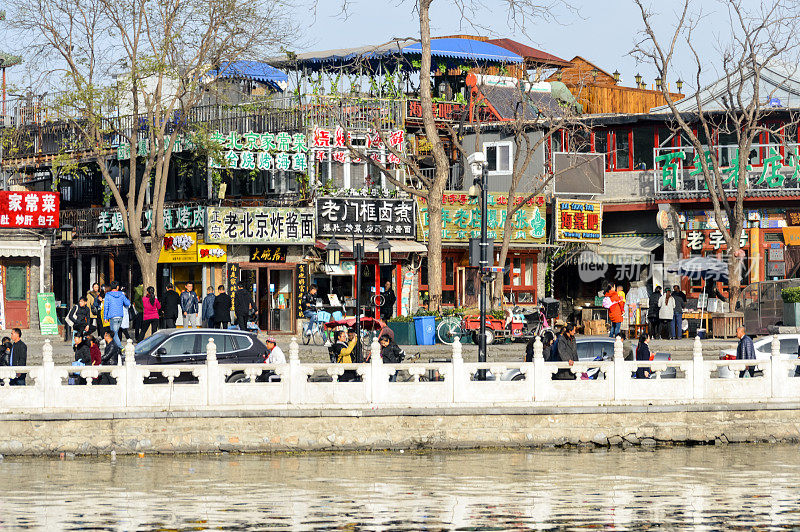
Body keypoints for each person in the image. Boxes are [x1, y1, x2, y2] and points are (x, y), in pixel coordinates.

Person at [104, 282, 131, 348]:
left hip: (112, 316)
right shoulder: (121, 294)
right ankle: (114, 348)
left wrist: (105, 317)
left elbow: (106, 306)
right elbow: (127, 303)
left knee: (114, 333)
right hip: (120, 316)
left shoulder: (108, 295)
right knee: (114, 333)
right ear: (117, 287)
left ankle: (120, 347)